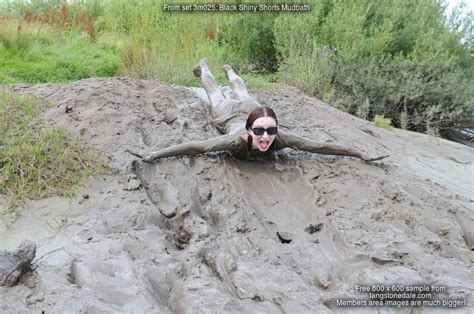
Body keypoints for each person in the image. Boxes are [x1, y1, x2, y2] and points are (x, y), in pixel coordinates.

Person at [129, 58, 388, 163]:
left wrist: (360, 153)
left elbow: (319, 146)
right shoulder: (233, 140)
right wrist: (154, 154)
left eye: (270, 132)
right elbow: (196, 147)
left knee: (245, 94)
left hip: (253, 109)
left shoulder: (277, 136)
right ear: (251, 131)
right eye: (261, 132)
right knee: (216, 94)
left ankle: (230, 71)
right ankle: (204, 66)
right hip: (229, 115)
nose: (266, 137)